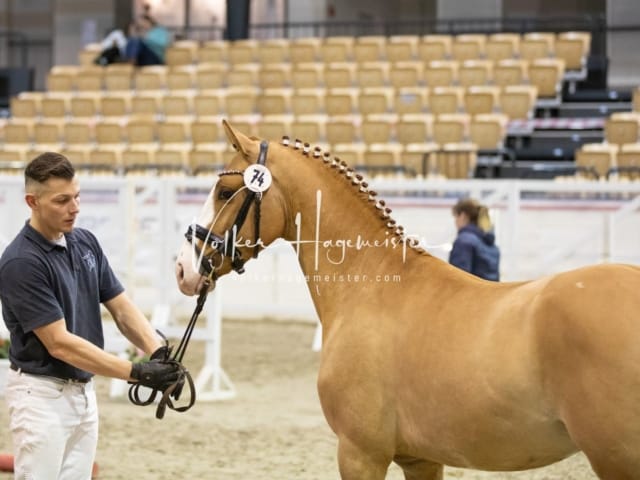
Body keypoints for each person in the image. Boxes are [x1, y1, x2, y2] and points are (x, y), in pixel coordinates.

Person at [0, 152, 182, 479]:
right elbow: (60, 344)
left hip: (83, 395)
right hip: (41, 398)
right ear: (32, 201)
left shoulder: (85, 242)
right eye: (62, 200)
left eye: (77, 196)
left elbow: (122, 308)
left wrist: (159, 353)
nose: (76, 208)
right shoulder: (21, 262)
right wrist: (136, 373)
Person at [449, 197, 500, 281]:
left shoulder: (464, 242)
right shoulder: (491, 244)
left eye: (455, 216)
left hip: (472, 293)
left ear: (462, 215)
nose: (455, 221)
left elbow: (458, 280)